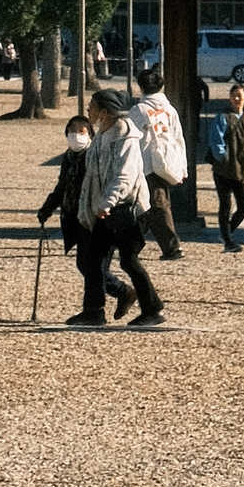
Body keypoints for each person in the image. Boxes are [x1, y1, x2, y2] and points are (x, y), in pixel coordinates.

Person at [72, 90, 165, 329]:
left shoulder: (127, 138)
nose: (89, 111)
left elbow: (124, 177)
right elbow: (91, 177)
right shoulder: (101, 136)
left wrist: (106, 203)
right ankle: (93, 311)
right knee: (92, 259)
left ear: (104, 111)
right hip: (107, 210)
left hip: (130, 210)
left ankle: (152, 309)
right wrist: (87, 210)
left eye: (92, 106)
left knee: (129, 260)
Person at [38, 112, 131, 315]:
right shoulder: (69, 157)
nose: (76, 135)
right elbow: (63, 186)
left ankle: (102, 304)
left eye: (81, 131)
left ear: (89, 133)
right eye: (71, 131)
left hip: (94, 214)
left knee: (92, 264)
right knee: (86, 264)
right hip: (75, 217)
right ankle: (119, 292)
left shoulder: (94, 155)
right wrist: (48, 207)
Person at [129, 63, 188, 259]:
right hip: (168, 161)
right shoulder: (170, 110)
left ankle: (172, 247)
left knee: (156, 205)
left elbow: (131, 139)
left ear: (141, 87)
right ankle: (130, 244)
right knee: (151, 206)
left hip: (146, 164)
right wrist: (183, 166)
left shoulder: (138, 110)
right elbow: (179, 138)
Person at [208, 83, 244, 251]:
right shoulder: (223, 117)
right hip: (223, 169)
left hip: (242, 169)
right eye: (234, 95)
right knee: (225, 204)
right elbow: (216, 141)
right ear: (229, 97)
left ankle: (226, 232)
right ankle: (229, 241)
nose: (237, 98)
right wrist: (223, 157)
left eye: (240, 95)